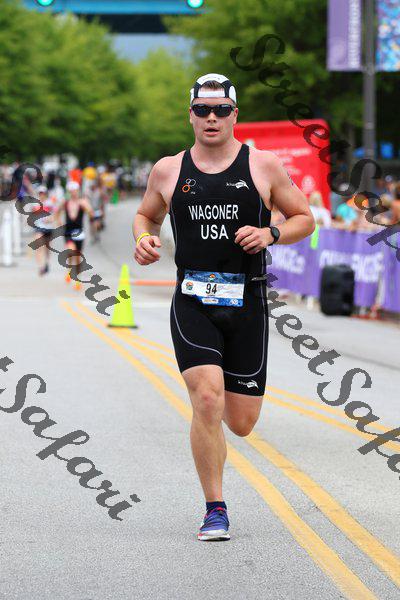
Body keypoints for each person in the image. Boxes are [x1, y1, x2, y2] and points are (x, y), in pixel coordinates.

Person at [132, 73, 314, 541]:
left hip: (247, 300)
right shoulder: (168, 169)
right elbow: (146, 214)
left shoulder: (264, 165)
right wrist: (144, 239)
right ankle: (215, 508)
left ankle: (225, 434)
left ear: (235, 115)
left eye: (221, 110)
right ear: (190, 114)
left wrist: (271, 233)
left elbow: (304, 218)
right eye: (202, 110)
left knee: (242, 422)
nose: (211, 118)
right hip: (193, 300)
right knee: (207, 398)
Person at [54, 181, 93, 290]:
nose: (73, 193)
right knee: (71, 251)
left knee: (78, 257)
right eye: (71, 191)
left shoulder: (82, 202)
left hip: (79, 232)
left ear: (78, 191)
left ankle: (77, 278)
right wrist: (59, 222)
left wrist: (87, 207)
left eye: (75, 191)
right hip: (68, 231)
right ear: (69, 192)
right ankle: (70, 270)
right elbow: (57, 212)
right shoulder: (65, 202)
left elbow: (91, 214)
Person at [32, 185, 57, 276]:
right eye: (40, 193)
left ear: (46, 194)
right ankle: (41, 267)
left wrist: (51, 219)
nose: (42, 195)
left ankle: (46, 263)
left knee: (47, 247)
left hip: (48, 228)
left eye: (43, 193)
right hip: (39, 228)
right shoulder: (35, 204)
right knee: (39, 246)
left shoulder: (50, 203)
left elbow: (56, 214)